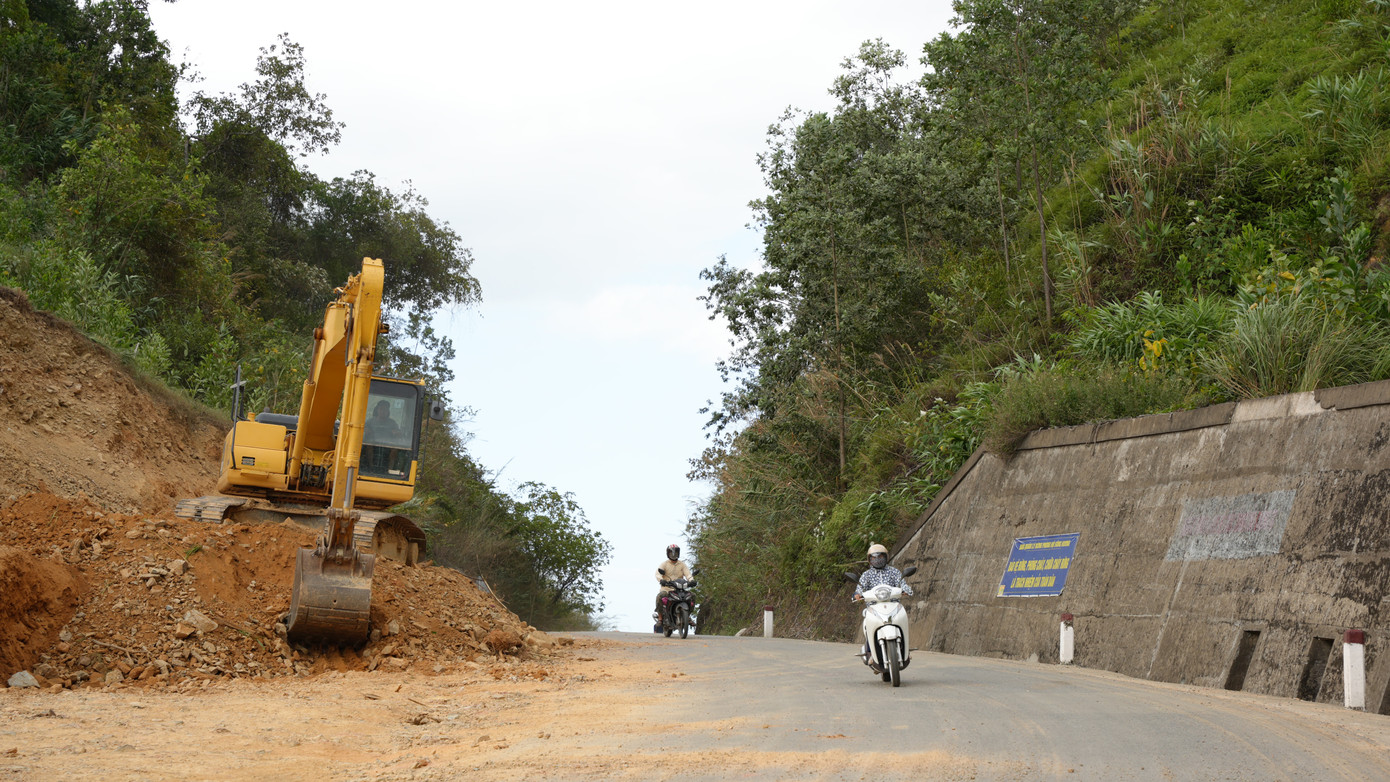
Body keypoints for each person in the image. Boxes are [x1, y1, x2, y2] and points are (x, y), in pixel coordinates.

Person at [855, 542, 912, 671]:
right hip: (873, 607)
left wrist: (906, 590)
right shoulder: (866, 575)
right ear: (869, 559)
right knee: (868, 624)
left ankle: (905, 649)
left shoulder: (894, 572)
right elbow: (859, 588)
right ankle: (870, 652)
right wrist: (857, 594)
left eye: (880, 556)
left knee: (902, 617)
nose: (877, 559)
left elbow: (902, 583)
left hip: (893, 604)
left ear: (886, 557)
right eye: (874, 557)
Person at [653, 543, 693, 626]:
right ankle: (660, 618)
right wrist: (661, 580)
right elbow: (658, 573)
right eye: (671, 553)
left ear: (679, 553)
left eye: (676, 553)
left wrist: (691, 580)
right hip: (667, 589)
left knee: (693, 596)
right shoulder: (664, 564)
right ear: (668, 554)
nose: (674, 555)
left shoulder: (682, 564)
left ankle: (687, 617)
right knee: (660, 596)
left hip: (680, 589)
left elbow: (688, 574)